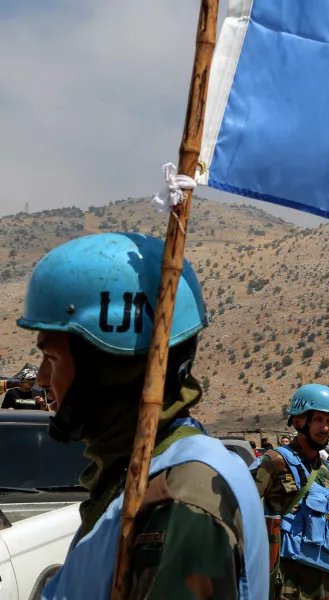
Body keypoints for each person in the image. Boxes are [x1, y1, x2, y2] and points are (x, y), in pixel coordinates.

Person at [17, 232, 267, 599]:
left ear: (110, 368)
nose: (40, 379)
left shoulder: (179, 498)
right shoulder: (146, 471)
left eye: (52, 359)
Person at [252, 384, 329, 600]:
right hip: (286, 582)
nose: (325, 428)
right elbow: (245, 511)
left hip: (324, 584)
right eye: (318, 420)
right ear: (298, 421)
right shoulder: (277, 461)